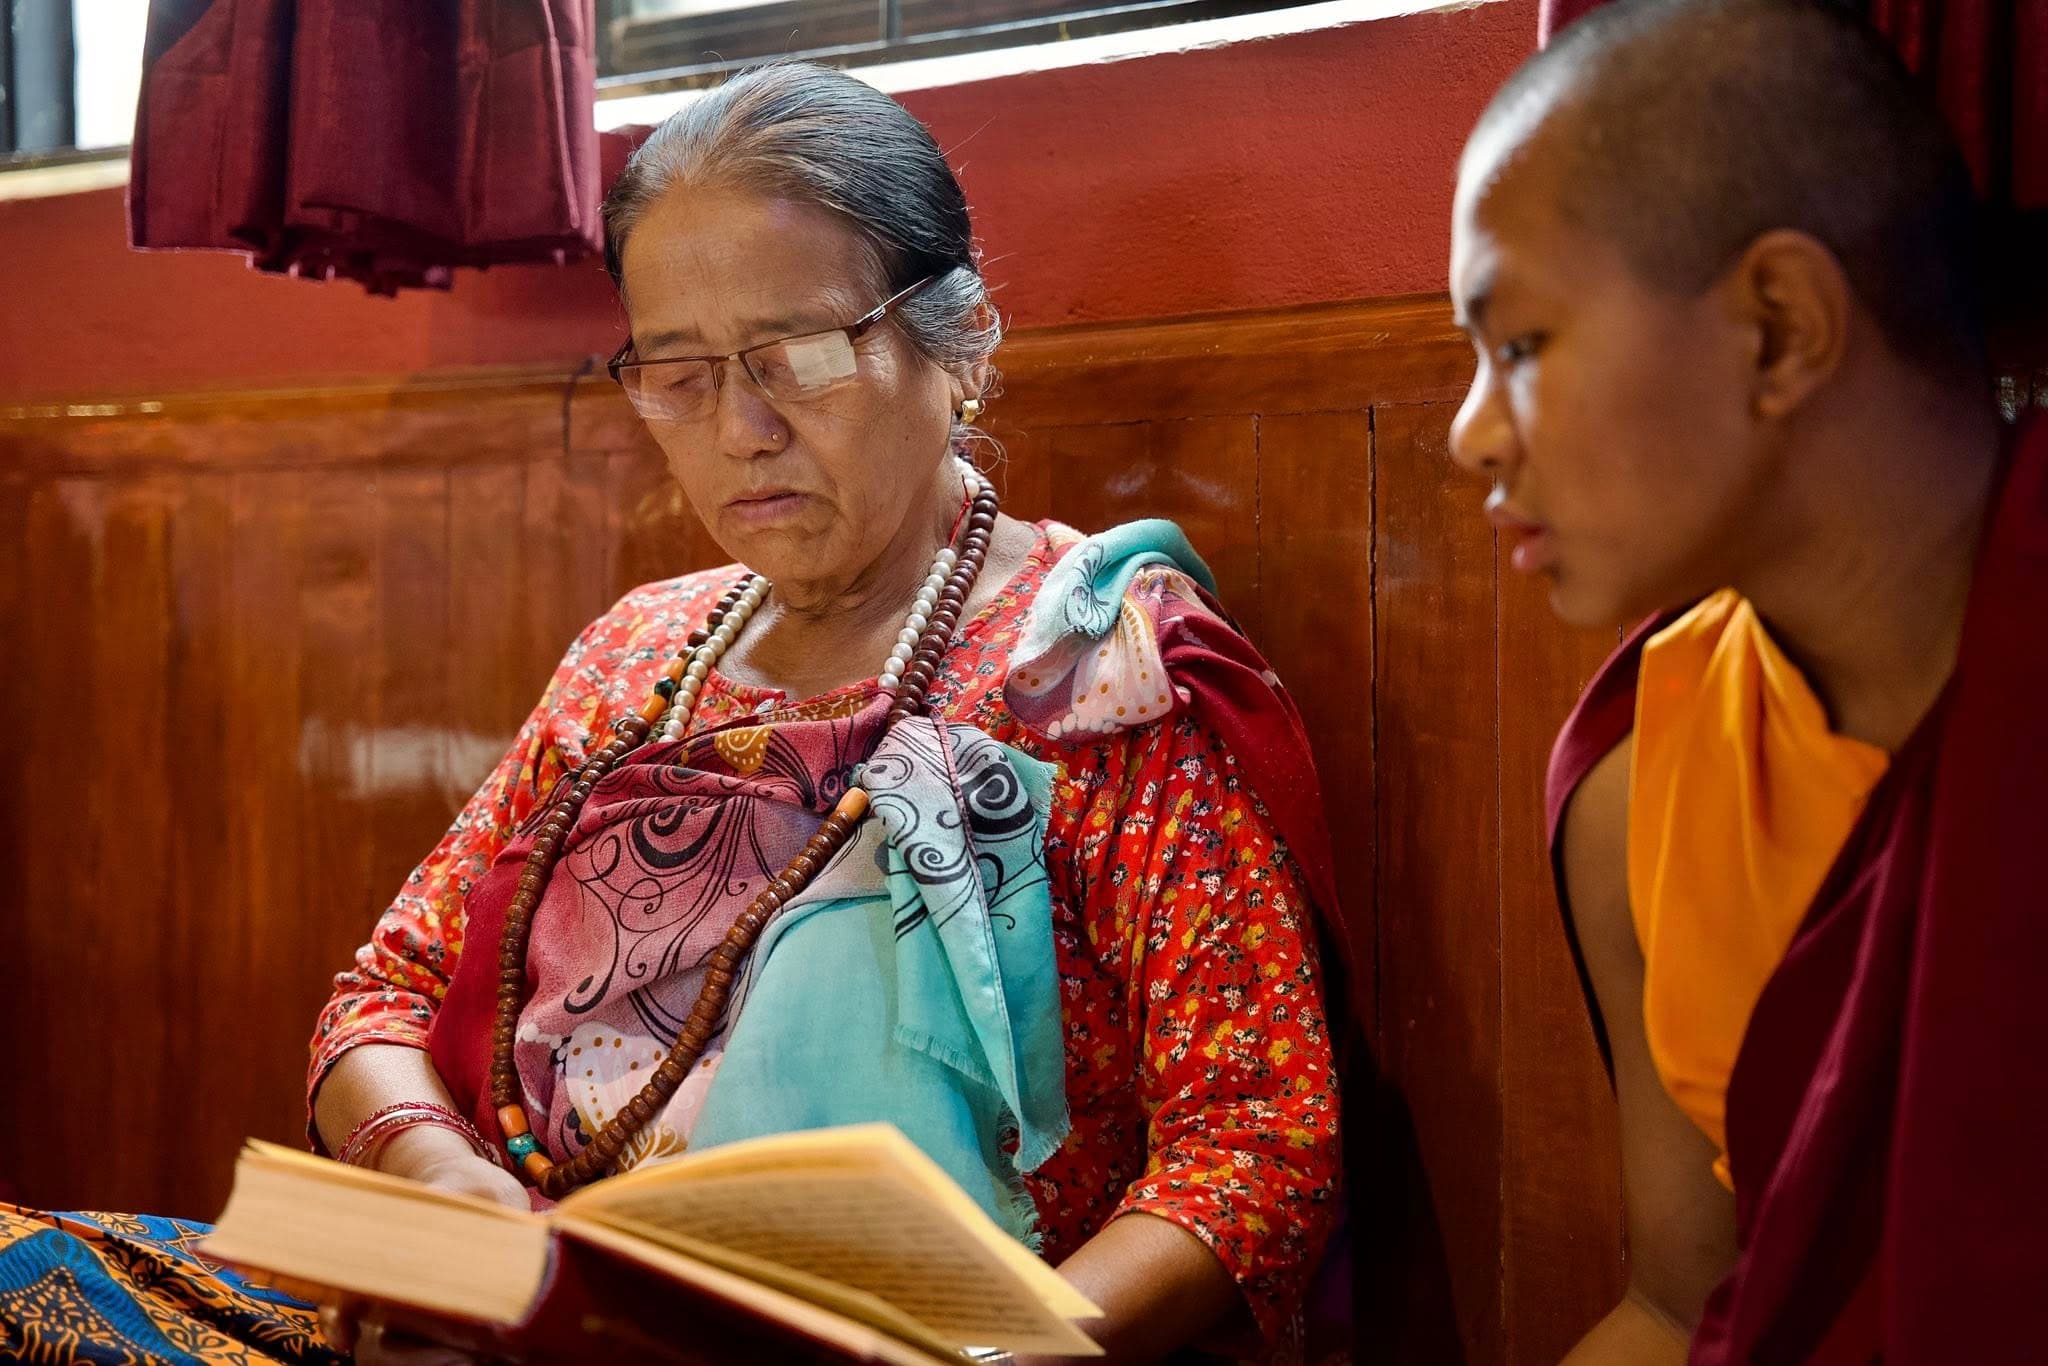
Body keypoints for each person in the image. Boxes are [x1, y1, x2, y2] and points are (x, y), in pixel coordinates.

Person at [0, 62, 1346, 1366]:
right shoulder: (640, 655)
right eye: (680, 373)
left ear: (962, 343)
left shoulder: (1099, 670)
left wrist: (1003, 1353)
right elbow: (385, 998)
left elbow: (1257, 1143)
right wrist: (446, 1199)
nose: (740, 429)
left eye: (797, 355)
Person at [1446, 0, 2046, 1360]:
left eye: (1519, 345)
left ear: (1778, 328)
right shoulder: (1641, 778)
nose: (1471, 432)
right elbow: (1682, 1305)